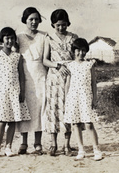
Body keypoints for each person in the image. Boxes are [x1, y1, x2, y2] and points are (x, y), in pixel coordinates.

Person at [0, 27, 31, 157]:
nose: (10, 41)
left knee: (12, 121)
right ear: (2, 39)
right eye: (7, 38)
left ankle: (8, 147)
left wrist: (22, 92)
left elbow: (22, 76)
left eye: (12, 38)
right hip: (1, 93)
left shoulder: (18, 57)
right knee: (1, 121)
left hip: (14, 92)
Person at [43, 9, 78, 156]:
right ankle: (53, 145)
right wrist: (58, 65)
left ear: (67, 23)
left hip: (70, 77)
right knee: (54, 110)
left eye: (63, 25)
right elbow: (45, 60)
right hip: (54, 77)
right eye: (58, 25)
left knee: (67, 110)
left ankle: (67, 146)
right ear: (53, 25)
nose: (61, 28)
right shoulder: (48, 38)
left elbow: (78, 57)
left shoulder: (74, 37)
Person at [15, 7, 48, 155]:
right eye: (31, 19)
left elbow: (48, 57)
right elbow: (11, 53)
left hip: (41, 76)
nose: (34, 22)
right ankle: (23, 143)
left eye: (36, 19)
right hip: (25, 77)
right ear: (25, 21)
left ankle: (38, 143)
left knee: (39, 109)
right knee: (25, 108)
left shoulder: (44, 36)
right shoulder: (19, 37)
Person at [64, 38, 103, 161]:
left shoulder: (89, 65)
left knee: (88, 124)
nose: (80, 53)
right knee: (75, 123)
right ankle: (81, 150)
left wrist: (94, 98)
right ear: (73, 51)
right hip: (73, 97)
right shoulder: (69, 66)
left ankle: (96, 149)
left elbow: (93, 83)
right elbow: (67, 84)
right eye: (78, 50)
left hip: (85, 97)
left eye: (83, 51)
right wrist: (66, 100)